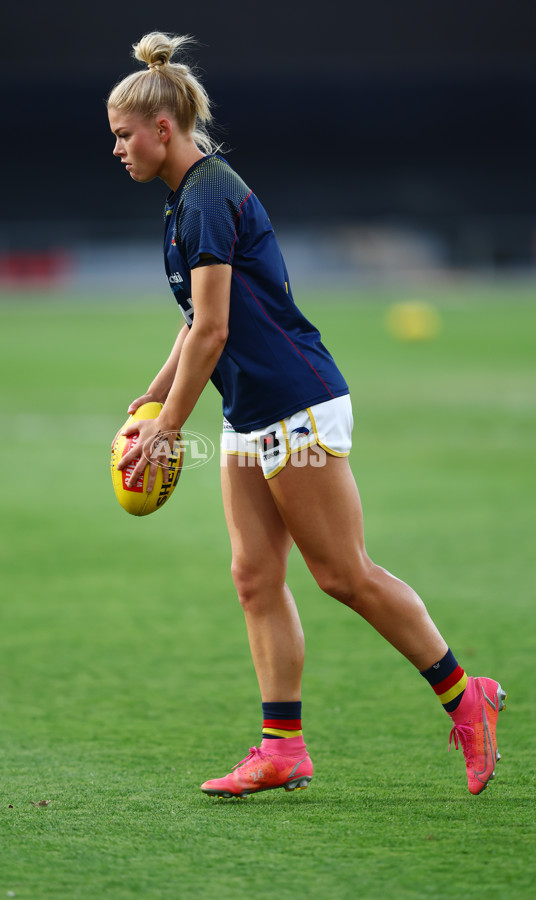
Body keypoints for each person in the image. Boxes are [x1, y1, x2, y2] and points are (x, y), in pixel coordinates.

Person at [107, 32, 506, 798]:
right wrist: (156, 393)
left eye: (124, 136)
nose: (118, 149)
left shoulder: (209, 196)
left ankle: (466, 697)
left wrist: (169, 428)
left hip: (295, 402)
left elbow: (218, 328)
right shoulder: (185, 202)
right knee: (255, 577)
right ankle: (281, 747)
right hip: (252, 412)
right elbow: (196, 320)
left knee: (342, 575)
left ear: (164, 129)